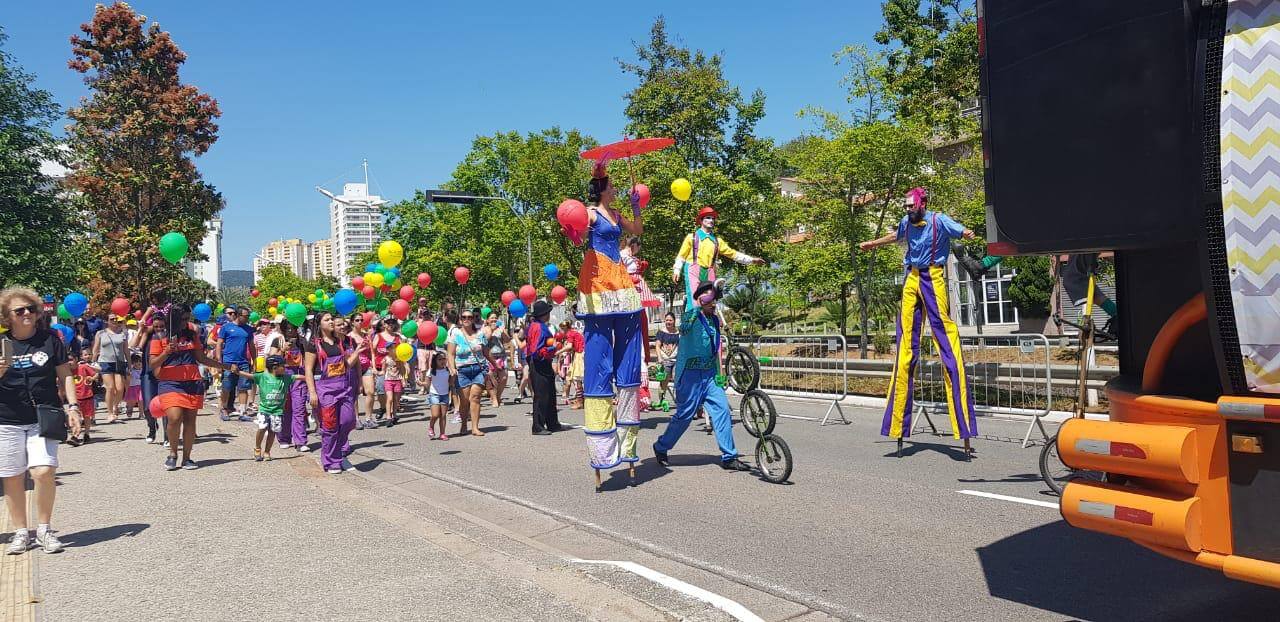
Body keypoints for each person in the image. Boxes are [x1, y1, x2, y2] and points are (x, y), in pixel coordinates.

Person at [858, 187, 978, 456]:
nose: (908, 210)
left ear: (922, 204)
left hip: (933, 277)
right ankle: (898, 425)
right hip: (912, 277)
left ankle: (964, 428)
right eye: (906, 207)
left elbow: (959, 230)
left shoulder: (939, 220)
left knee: (947, 343)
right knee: (905, 351)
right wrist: (873, 244)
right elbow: (895, 236)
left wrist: (967, 232)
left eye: (911, 206)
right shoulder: (906, 222)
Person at [572, 159, 647, 480]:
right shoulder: (590, 214)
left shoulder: (615, 215)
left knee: (628, 360)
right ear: (602, 188)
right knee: (599, 360)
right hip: (598, 281)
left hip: (619, 281)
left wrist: (636, 206)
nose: (616, 189)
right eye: (613, 186)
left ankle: (628, 446)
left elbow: (637, 231)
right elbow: (577, 237)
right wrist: (572, 229)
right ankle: (602, 450)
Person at [0, 288, 81, 554]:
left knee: (43, 471)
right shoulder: (1, 343)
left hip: (43, 415)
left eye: (31, 309)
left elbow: (65, 375)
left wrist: (73, 407)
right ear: (7, 316)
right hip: (7, 418)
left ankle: (44, 529)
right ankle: (21, 533)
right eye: (19, 310)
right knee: (12, 476)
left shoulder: (50, 340)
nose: (27, 313)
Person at [653, 282, 751, 471]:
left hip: (709, 375)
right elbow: (684, 328)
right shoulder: (690, 316)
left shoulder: (714, 320)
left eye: (714, 299)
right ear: (700, 299)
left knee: (722, 410)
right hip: (689, 375)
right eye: (709, 299)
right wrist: (698, 304)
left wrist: (720, 372)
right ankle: (661, 446)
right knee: (685, 416)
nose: (713, 303)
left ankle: (729, 456)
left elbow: (715, 348)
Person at [150, 304, 228, 471]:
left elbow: (201, 358)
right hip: (170, 383)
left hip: (192, 382)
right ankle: (172, 454)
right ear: (174, 319)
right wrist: (166, 352)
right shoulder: (159, 336)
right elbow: (152, 363)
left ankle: (187, 458)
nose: (186, 322)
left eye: (188, 318)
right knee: (174, 417)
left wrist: (225, 366)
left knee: (190, 421)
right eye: (183, 319)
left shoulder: (192, 335)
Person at [671, 206, 765, 310]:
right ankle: (693, 319)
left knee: (710, 301)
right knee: (695, 300)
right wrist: (677, 270)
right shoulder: (692, 237)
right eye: (708, 218)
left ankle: (710, 320)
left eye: (713, 218)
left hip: (710, 271)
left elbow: (733, 254)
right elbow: (681, 256)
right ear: (701, 220)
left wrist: (752, 260)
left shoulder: (717, 241)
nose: (711, 220)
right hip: (693, 271)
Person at [303, 312, 360, 474]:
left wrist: (357, 352)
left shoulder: (339, 342)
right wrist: (312, 392)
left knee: (349, 421)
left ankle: (336, 452)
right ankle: (331, 461)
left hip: (343, 387)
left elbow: (346, 365)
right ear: (319, 324)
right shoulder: (314, 344)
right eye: (327, 320)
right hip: (325, 390)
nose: (331, 322)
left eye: (331, 319)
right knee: (330, 427)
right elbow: (308, 370)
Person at [228, 355, 292, 462]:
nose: (285, 368)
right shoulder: (262, 376)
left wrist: (310, 378)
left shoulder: (285, 378)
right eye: (283, 366)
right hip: (264, 410)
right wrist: (238, 372)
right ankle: (257, 448)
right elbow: (250, 376)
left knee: (272, 431)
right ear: (275, 367)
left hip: (277, 411)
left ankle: (267, 451)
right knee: (262, 428)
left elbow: (298, 377)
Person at [447, 309, 496, 437]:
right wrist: (452, 368)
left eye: (470, 317)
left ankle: (475, 427)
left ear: (473, 319)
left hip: (478, 369)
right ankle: (464, 424)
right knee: (464, 401)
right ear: (460, 319)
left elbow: (486, 352)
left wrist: (495, 364)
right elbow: (450, 354)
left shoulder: (480, 334)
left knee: (475, 397)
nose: (467, 319)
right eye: (464, 317)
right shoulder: (455, 334)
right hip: (462, 370)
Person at [524, 301, 561, 435]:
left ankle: (552, 423)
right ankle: (538, 426)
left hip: (542, 362)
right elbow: (536, 350)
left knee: (550, 393)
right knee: (542, 395)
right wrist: (553, 348)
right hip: (539, 362)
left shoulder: (537, 326)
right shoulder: (538, 328)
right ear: (545, 314)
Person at [213, 306, 256, 421]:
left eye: (248, 316)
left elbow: (252, 346)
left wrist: (254, 361)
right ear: (238, 315)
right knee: (226, 387)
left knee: (243, 387)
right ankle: (224, 409)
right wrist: (219, 361)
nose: (247, 318)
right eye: (245, 316)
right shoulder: (226, 327)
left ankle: (242, 411)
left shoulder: (248, 329)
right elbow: (219, 344)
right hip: (228, 362)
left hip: (243, 362)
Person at [277, 320, 311, 452]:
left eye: (293, 328)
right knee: (285, 409)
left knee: (299, 409)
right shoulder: (278, 341)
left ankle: (300, 441)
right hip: (283, 378)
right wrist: (282, 350)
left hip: (299, 378)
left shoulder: (303, 342)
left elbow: (309, 359)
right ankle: (284, 438)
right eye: (287, 328)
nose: (290, 331)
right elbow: (272, 360)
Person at [92, 314, 129, 424]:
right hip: (105, 362)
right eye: (112, 319)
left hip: (119, 362)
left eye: (116, 319)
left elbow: (126, 349)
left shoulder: (122, 333)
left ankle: (115, 406)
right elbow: (95, 349)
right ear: (107, 321)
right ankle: (109, 413)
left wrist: (130, 364)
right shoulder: (101, 333)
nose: (114, 320)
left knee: (120, 388)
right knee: (110, 388)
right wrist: (93, 362)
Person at [654, 312, 680, 408]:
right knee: (664, 381)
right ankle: (661, 399)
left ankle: (679, 399)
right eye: (667, 320)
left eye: (670, 320)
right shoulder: (661, 332)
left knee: (678, 379)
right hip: (665, 360)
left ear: (674, 321)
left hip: (676, 360)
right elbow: (657, 345)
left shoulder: (678, 333)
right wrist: (659, 358)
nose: (668, 322)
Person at [72, 349, 97, 444]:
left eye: (71, 359)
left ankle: (86, 434)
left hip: (87, 395)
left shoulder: (83, 367)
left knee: (87, 417)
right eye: (67, 360)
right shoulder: (67, 371)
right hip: (75, 398)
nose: (69, 362)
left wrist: (92, 378)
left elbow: (96, 374)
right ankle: (75, 435)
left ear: (76, 359)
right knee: (76, 417)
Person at [483, 316, 509, 406]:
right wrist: (492, 330)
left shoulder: (500, 329)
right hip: (489, 356)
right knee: (490, 378)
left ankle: (498, 396)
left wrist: (503, 332)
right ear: (487, 320)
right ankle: (493, 398)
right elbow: (485, 341)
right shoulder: (485, 329)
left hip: (501, 356)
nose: (494, 320)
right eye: (492, 318)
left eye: (495, 318)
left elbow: (507, 340)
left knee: (504, 378)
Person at [425, 351, 450, 440]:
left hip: (445, 395)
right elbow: (427, 383)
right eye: (440, 359)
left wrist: (454, 376)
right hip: (434, 395)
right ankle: (431, 427)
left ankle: (442, 434)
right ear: (435, 361)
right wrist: (422, 384)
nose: (442, 361)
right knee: (435, 415)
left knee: (443, 415)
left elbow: (451, 382)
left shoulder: (448, 370)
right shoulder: (431, 371)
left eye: (444, 359)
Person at [124, 353, 143, 420]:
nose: (138, 363)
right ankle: (129, 409)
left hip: (141, 388)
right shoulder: (131, 370)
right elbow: (127, 379)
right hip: (132, 388)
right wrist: (128, 375)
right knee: (132, 402)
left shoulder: (143, 370)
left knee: (141, 400)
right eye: (136, 362)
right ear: (132, 363)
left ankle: (141, 414)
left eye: (140, 361)